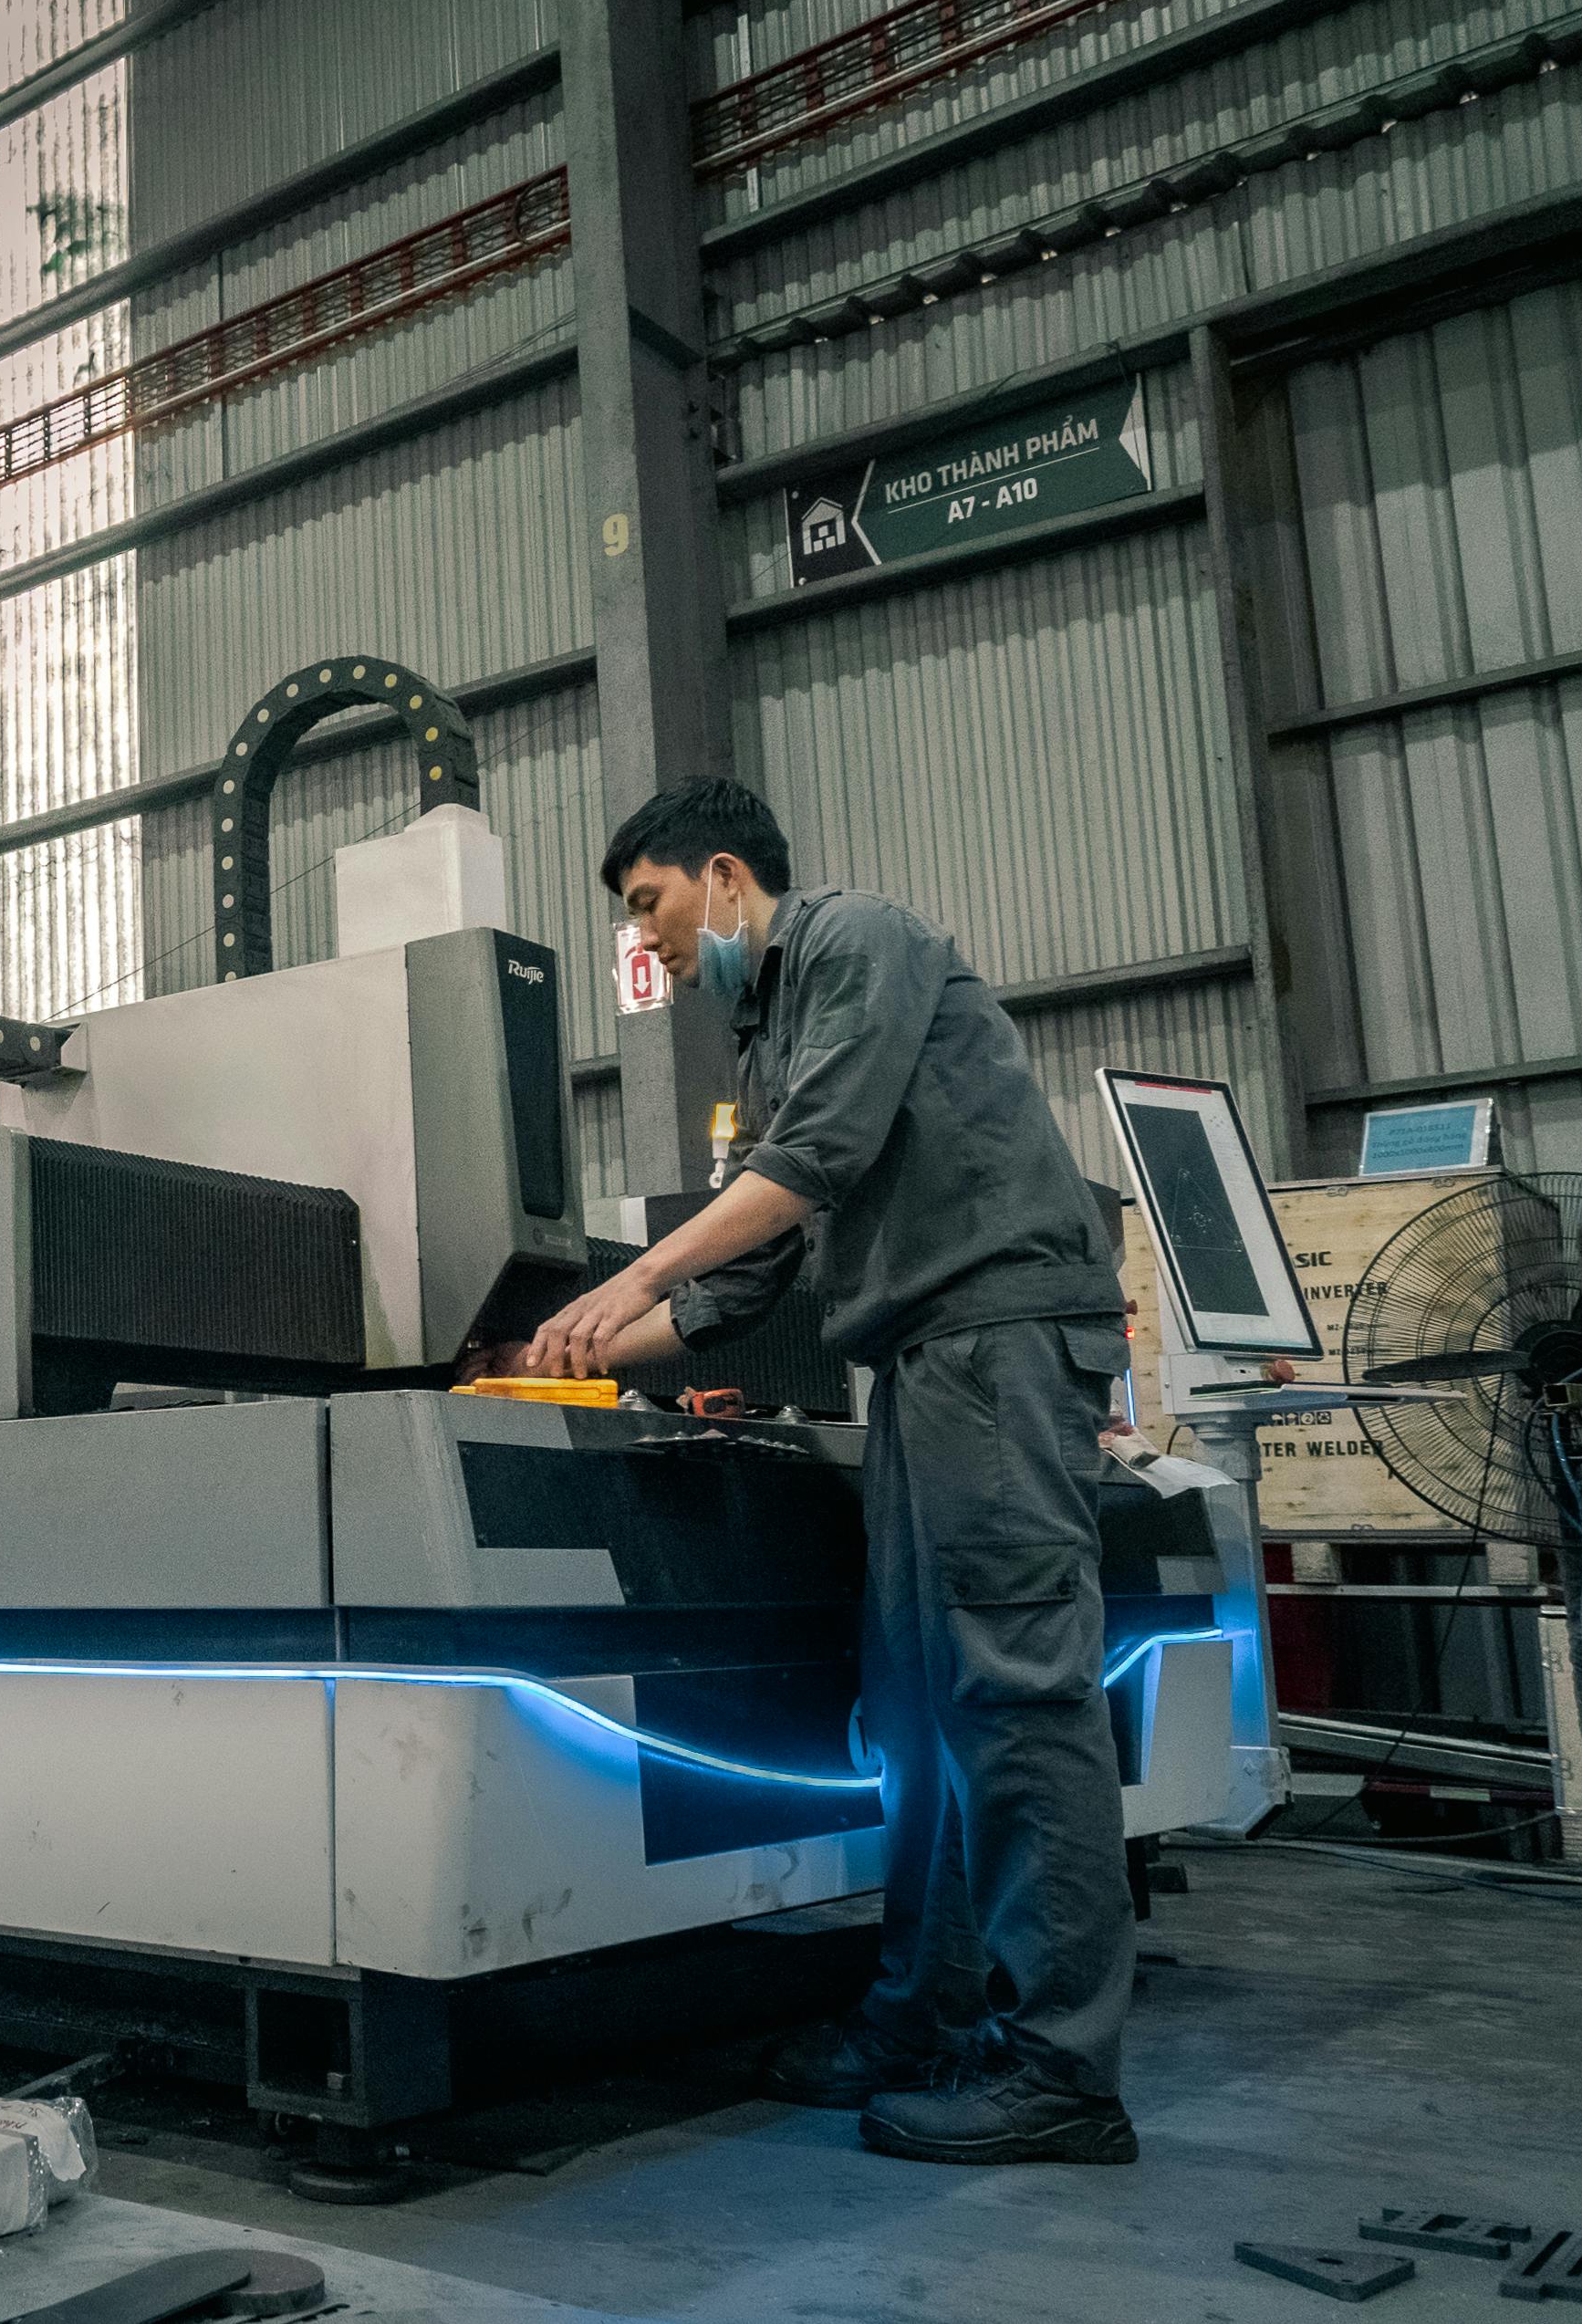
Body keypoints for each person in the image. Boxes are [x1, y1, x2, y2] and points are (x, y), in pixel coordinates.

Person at [508, 778, 1140, 2166]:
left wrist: (637, 1271)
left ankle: (1061, 2074)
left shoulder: (860, 942)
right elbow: (755, 1279)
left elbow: (818, 1161)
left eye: (649, 905)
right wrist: (583, 1350)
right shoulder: (766, 1038)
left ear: (722, 878)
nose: (650, 943)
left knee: (1019, 1701)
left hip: (995, 1341)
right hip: (916, 1369)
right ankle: (922, 2015)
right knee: (921, 1711)